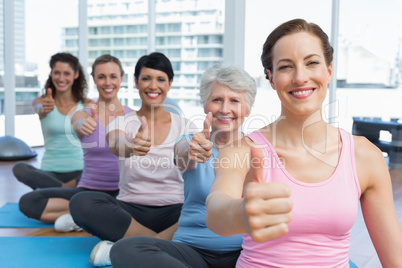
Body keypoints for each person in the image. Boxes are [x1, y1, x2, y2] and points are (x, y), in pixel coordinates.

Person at [205, 18, 402, 268]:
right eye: (286, 67)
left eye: (312, 63)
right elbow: (215, 211)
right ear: (271, 77)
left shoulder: (364, 156)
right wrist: (239, 213)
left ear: (329, 71)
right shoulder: (242, 151)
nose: (300, 77)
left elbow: (396, 259)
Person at [109, 64, 257, 268]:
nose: (224, 109)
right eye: (217, 100)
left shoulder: (258, 149)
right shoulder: (189, 141)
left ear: (247, 109)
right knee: (123, 249)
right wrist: (192, 150)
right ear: (206, 105)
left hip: (244, 253)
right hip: (191, 250)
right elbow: (182, 155)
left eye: (234, 101)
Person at [69, 52, 196, 267]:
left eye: (161, 79)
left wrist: (188, 151)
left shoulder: (186, 126)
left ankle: (130, 247)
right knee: (81, 202)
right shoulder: (122, 122)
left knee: (207, 208)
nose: (153, 86)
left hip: (175, 209)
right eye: (146, 78)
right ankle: (162, 246)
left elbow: (186, 152)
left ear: (170, 84)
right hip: (130, 210)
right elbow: (117, 144)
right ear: (136, 82)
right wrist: (131, 146)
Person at [18, 55, 131, 231]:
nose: (108, 82)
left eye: (113, 76)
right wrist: (81, 124)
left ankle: (81, 217)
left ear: (121, 78)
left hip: (122, 192)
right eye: (101, 77)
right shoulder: (83, 113)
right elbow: (77, 121)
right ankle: (89, 215)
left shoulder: (134, 116)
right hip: (87, 190)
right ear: (94, 79)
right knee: (29, 201)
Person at [13, 52, 91, 189]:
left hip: (80, 172)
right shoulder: (42, 102)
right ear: (51, 74)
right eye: (57, 73)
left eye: (66, 73)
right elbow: (38, 108)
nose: (61, 78)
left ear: (76, 74)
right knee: (19, 168)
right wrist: (43, 108)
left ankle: (57, 192)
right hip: (49, 173)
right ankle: (65, 191)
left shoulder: (86, 104)